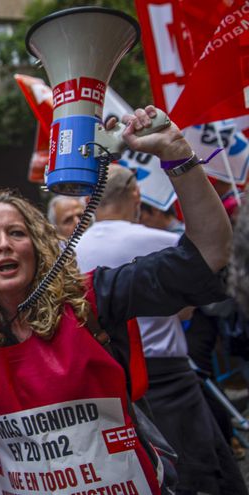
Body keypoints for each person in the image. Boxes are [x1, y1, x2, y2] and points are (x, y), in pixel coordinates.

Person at [0, 106, 242, 495]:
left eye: (16, 233)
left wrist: (178, 155)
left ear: (38, 246)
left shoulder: (93, 297)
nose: (4, 245)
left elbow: (207, 254)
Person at [74, 164, 245, 492]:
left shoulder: (69, 250)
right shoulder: (158, 240)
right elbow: (197, 287)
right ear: (136, 194)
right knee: (206, 475)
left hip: (111, 383)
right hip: (169, 379)